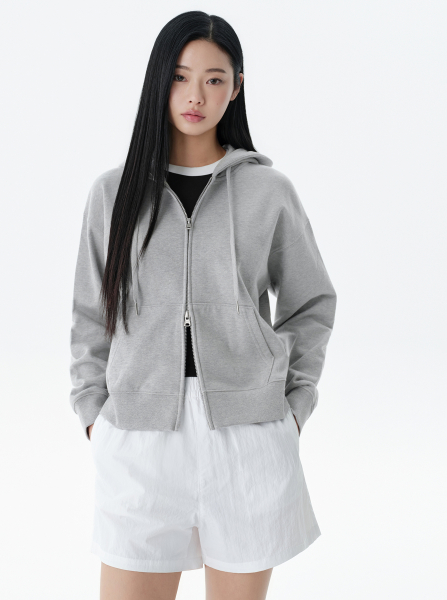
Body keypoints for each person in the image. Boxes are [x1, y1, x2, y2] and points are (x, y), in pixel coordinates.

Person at [69, 10, 337, 600]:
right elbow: (91, 313)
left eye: (214, 79)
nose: (196, 95)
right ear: (159, 80)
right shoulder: (113, 193)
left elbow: (311, 302)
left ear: (236, 88)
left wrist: (293, 408)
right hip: (139, 435)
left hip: (247, 435)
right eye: (181, 76)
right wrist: (94, 413)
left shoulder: (268, 191)